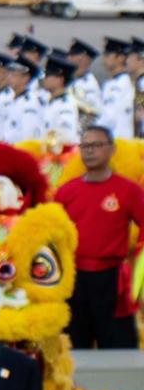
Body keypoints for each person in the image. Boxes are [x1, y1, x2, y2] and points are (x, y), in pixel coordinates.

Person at [54, 125, 144, 350]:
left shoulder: (128, 190)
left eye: (96, 145)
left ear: (112, 149)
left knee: (119, 346)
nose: (89, 151)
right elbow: (52, 233)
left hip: (112, 279)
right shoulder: (66, 191)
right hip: (74, 278)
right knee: (74, 345)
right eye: (85, 146)